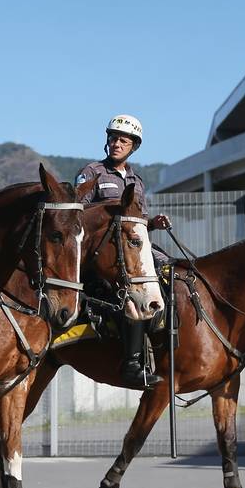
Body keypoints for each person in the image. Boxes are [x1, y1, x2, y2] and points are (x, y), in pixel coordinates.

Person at [76, 114, 172, 389]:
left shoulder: (136, 181)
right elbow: (75, 215)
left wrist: (153, 223)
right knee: (132, 294)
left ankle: (167, 348)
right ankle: (132, 365)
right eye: (113, 138)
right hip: (101, 256)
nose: (117, 143)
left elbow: (136, 226)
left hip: (131, 250)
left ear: (133, 147)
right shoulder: (92, 172)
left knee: (170, 273)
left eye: (123, 140)